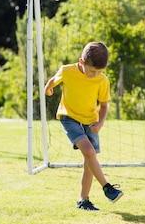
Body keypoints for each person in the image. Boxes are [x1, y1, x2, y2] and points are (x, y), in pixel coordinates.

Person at [45, 42, 123, 211]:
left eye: (99, 71)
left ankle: (83, 200)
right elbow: (53, 80)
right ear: (81, 62)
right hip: (69, 117)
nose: (95, 75)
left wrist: (101, 123)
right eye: (92, 71)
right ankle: (107, 187)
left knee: (89, 161)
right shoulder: (67, 71)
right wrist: (48, 88)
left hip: (91, 121)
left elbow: (104, 105)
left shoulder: (102, 81)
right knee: (89, 152)